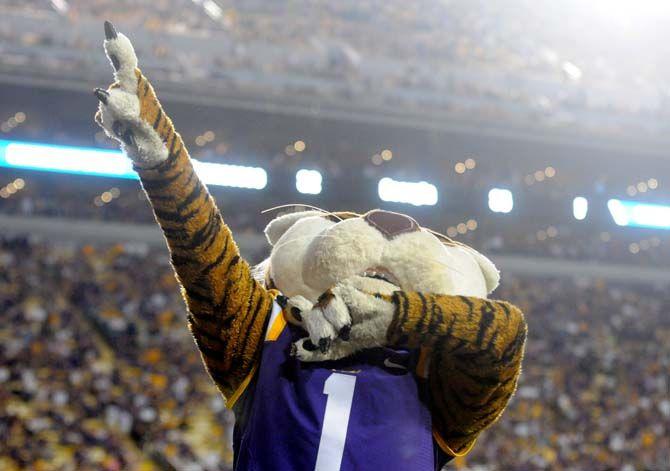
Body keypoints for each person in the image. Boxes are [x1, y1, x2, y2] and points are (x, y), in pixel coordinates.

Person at [93, 22, 526, 470]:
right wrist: (164, 167)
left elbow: (505, 335)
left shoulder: (435, 376)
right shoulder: (266, 333)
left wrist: (396, 318)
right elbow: (205, 262)